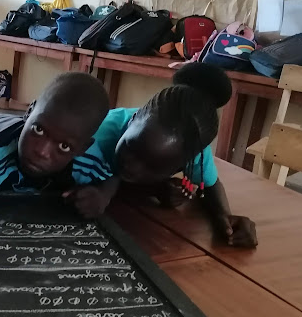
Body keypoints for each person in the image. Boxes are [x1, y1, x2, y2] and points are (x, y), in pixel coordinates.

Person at [70, 62, 258, 247]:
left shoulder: (190, 148)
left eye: (153, 166)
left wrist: (225, 218)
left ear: (184, 163)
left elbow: (210, 185)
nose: (131, 166)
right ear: (133, 119)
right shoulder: (91, 135)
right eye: (131, 146)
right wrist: (151, 189)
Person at [0, 72, 109, 221]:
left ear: (82, 149)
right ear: (29, 111)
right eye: (38, 129)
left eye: (64, 146)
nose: (42, 152)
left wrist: (103, 196)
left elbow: (111, 178)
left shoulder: (88, 161)